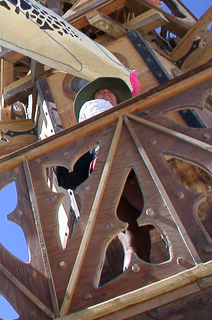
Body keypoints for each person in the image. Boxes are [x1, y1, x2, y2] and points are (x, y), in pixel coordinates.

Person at [56, 75, 151, 271]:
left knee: (139, 224)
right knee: (142, 220)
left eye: (110, 92)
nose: (106, 93)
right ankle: (140, 268)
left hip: (117, 173)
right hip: (113, 172)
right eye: (101, 92)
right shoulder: (92, 113)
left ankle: (138, 268)